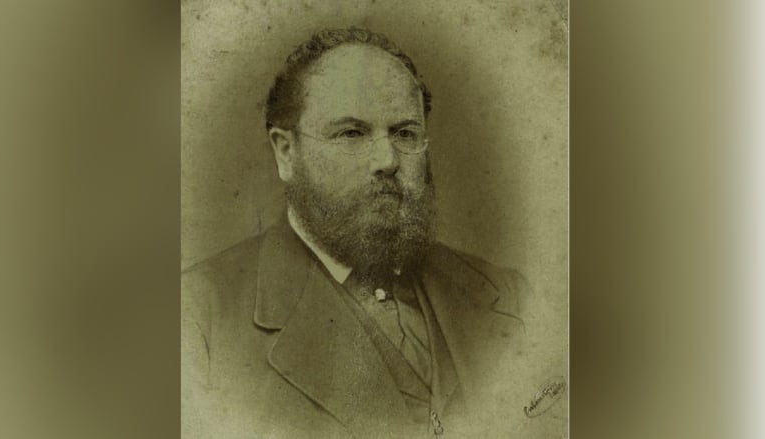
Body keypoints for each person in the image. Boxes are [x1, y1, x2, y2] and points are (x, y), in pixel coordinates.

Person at [182, 27, 554, 438]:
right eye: (351, 133)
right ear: (286, 152)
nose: (387, 160)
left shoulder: (507, 295)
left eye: (405, 133)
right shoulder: (198, 319)